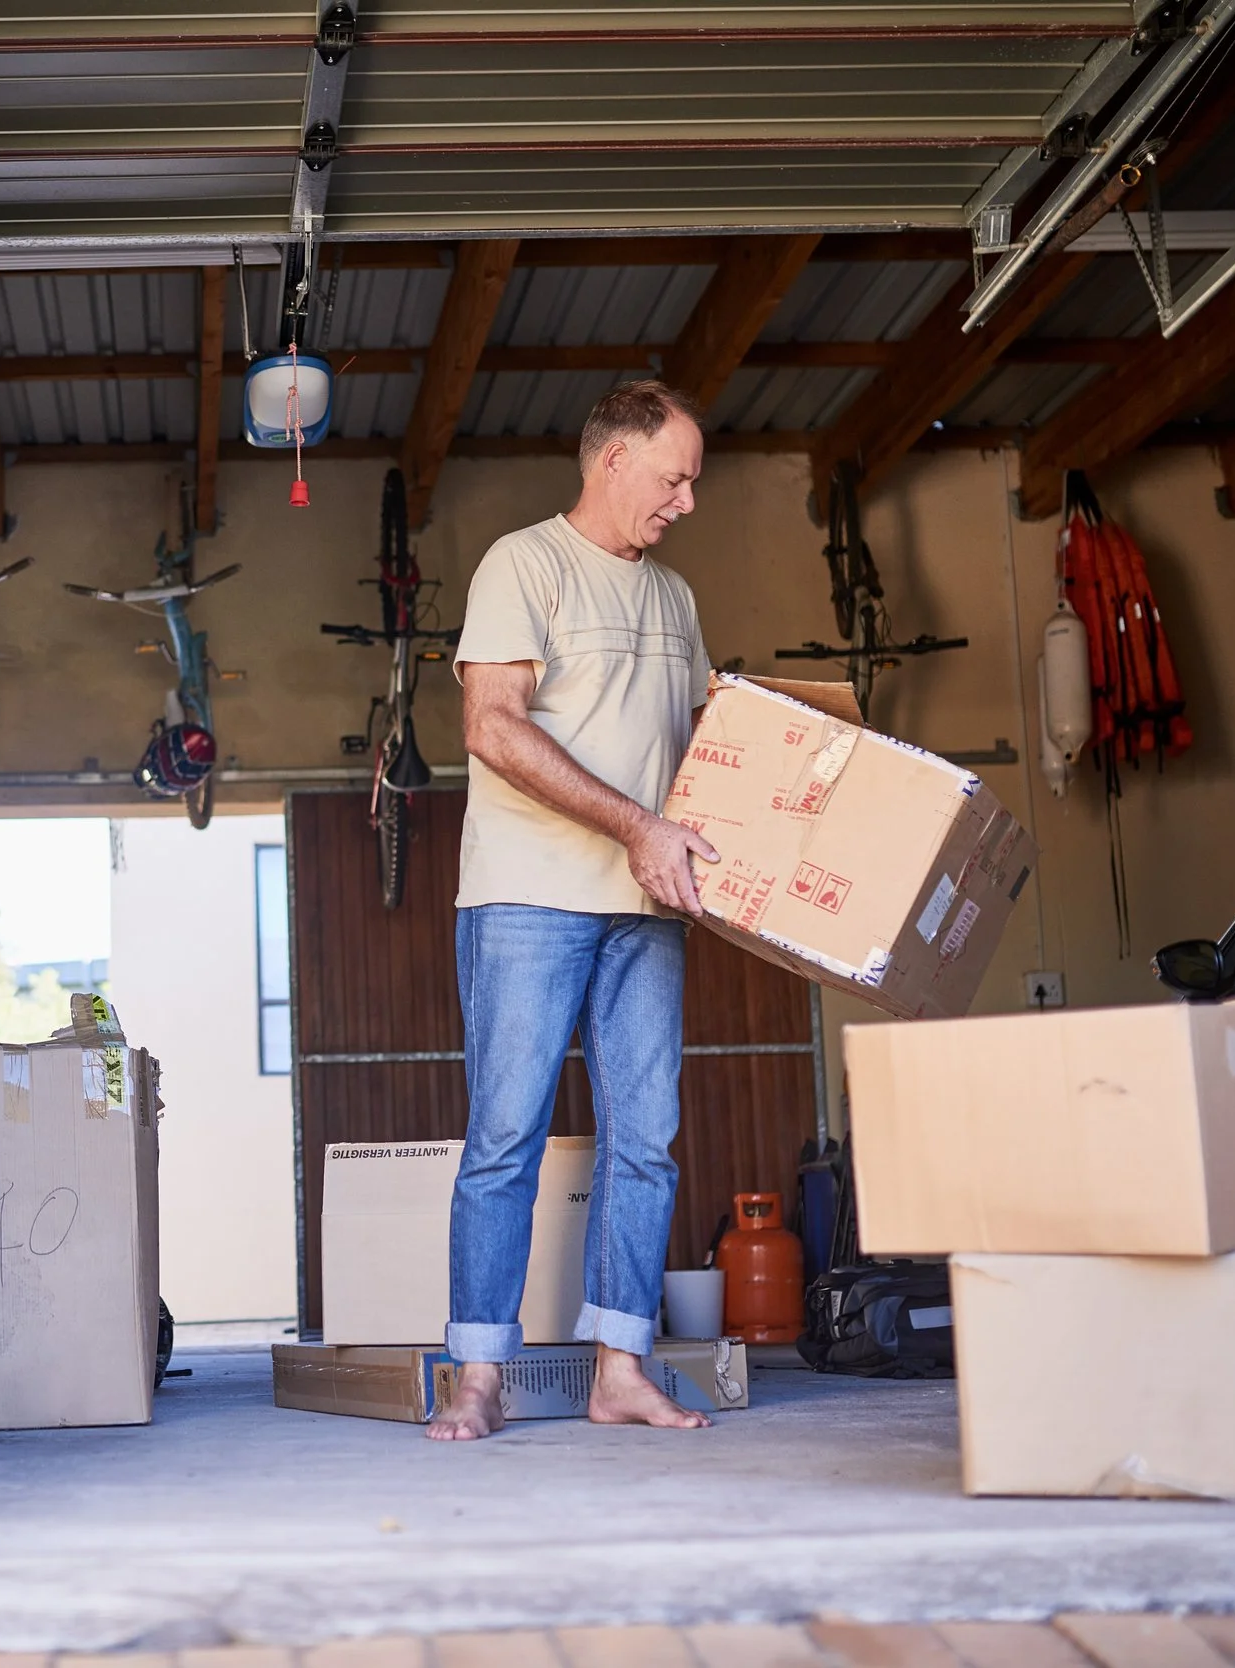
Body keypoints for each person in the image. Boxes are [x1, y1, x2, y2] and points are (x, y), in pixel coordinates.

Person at [427, 379, 718, 1441]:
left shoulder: (676, 600)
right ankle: (479, 1378)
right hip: (527, 897)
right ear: (613, 461)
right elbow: (492, 727)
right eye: (674, 477)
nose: (685, 501)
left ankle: (619, 1370)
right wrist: (634, 827)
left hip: (647, 908)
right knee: (505, 1136)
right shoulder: (525, 563)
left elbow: (698, 753)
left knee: (646, 1141)